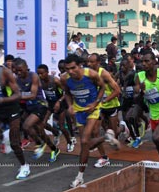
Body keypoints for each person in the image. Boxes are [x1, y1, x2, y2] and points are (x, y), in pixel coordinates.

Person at [60, 54, 120, 188]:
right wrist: (70, 105)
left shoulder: (92, 74)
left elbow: (103, 88)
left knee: (84, 141)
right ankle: (80, 176)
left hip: (93, 109)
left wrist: (96, 103)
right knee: (86, 146)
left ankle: (80, 175)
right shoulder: (64, 78)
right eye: (67, 68)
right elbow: (67, 93)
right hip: (78, 110)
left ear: (80, 65)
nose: (70, 71)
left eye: (73, 68)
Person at [0, 48, 30, 179]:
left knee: (14, 143)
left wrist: (0, 99)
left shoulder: (5, 73)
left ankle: (24, 166)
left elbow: (18, 94)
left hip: (11, 109)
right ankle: (3, 136)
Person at [14, 59, 60, 161]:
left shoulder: (33, 76)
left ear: (26, 67)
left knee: (26, 126)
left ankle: (39, 143)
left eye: (20, 70)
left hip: (40, 104)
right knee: (39, 129)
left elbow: (33, 95)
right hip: (29, 106)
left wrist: (17, 97)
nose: (18, 73)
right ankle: (54, 149)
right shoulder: (17, 79)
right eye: (16, 71)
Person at [87, 53, 124, 167]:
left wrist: (104, 100)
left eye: (92, 62)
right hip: (99, 107)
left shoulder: (104, 74)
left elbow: (117, 91)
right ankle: (104, 157)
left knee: (113, 132)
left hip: (111, 105)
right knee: (95, 132)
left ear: (98, 63)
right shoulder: (88, 73)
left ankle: (123, 127)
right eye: (88, 62)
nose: (89, 64)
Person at [37, 64, 74, 152]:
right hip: (50, 103)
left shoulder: (55, 80)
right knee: (43, 123)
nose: (40, 75)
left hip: (61, 103)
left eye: (42, 73)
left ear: (47, 72)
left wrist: (59, 101)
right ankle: (56, 132)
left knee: (61, 126)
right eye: (38, 73)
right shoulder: (39, 81)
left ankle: (69, 142)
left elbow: (66, 93)